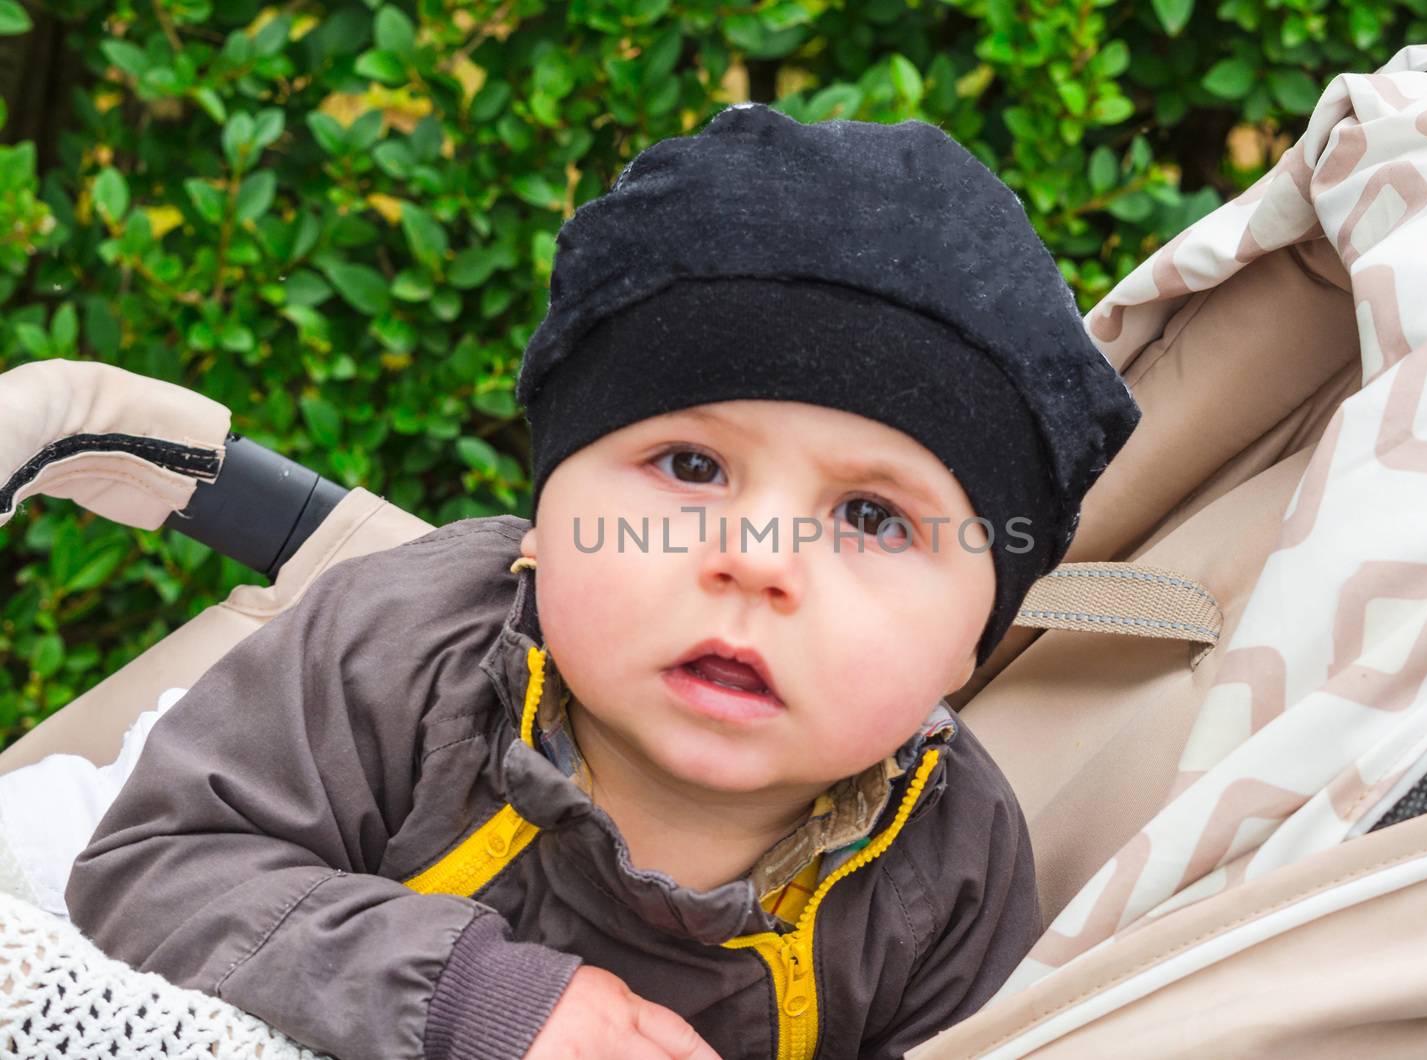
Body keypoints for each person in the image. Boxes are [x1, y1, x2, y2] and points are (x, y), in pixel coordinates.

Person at [65, 103, 1139, 1060]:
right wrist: (470, 994)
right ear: (541, 523)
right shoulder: (401, 650)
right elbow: (152, 872)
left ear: (969, 649)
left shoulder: (951, 863)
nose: (756, 559)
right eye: (691, 466)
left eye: (871, 517)